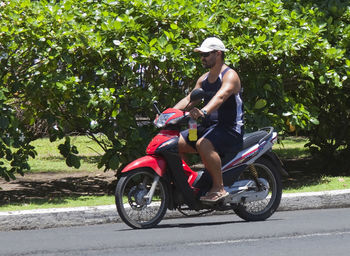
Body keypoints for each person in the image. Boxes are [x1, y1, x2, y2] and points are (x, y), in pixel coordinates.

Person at [174, 37, 244, 203]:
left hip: (230, 129)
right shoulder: (204, 79)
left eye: (205, 54)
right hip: (210, 127)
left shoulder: (230, 76)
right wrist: (169, 113)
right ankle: (187, 183)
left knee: (202, 144)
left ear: (218, 54)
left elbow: (221, 96)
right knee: (174, 144)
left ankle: (219, 188)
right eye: (201, 55)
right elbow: (190, 99)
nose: (202, 58)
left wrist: (204, 111)